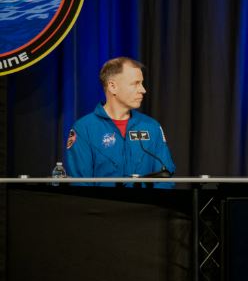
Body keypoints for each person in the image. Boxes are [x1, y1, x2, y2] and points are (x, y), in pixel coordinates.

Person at [65, 57, 176, 187]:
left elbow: (165, 178)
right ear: (113, 86)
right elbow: (80, 184)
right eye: (136, 83)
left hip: (146, 200)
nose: (143, 90)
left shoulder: (152, 127)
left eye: (141, 83)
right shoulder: (84, 129)